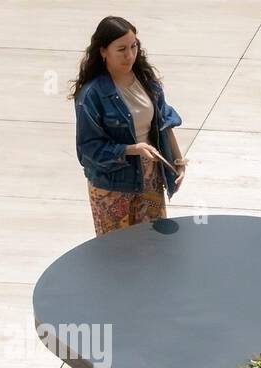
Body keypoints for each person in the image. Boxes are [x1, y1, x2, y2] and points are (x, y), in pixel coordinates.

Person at [69, 16, 186, 236]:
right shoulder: (91, 95)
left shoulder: (146, 79)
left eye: (134, 46)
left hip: (150, 176)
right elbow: (88, 150)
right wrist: (132, 149)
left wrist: (178, 161)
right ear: (103, 51)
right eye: (121, 49)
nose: (130, 55)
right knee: (117, 255)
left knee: (154, 245)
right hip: (112, 185)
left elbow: (163, 120)